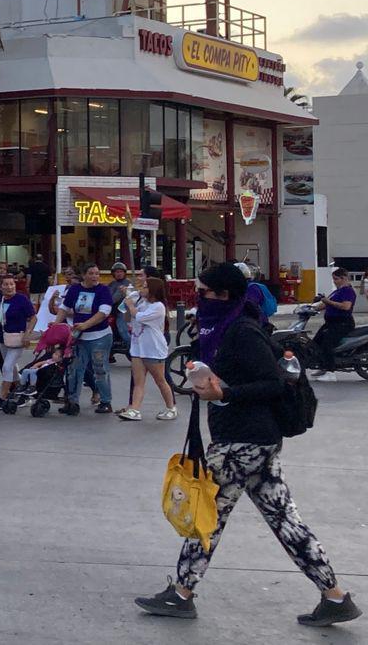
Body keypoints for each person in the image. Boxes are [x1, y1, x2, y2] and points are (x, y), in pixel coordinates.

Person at [133, 262, 360, 628]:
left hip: (243, 441)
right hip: (255, 442)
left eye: (203, 292)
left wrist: (226, 392)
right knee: (285, 520)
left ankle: (181, 593)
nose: (197, 298)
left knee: (207, 516)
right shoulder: (221, 328)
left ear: (223, 295)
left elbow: (272, 383)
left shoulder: (242, 331)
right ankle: (335, 597)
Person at [118, 276, 176, 421]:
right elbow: (128, 317)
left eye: (145, 287)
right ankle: (135, 409)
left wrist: (131, 306)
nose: (142, 289)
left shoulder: (158, 307)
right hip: (138, 347)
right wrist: (129, 299)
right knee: (138, 381)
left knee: (160, 380)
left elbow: (139, 317)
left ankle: (171, 407)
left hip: (153, 348)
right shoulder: (141, 302)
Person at [60, 264, 115, 415]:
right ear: (84, 275)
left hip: (100, 336)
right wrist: (57, 324)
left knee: (100, 369)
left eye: (97, 273)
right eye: (91, 273)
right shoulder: (75, 289)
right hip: (79, 337)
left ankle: (105, 401)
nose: (95, 276)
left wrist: (85, 325)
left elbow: (103, 313)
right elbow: (64, 308)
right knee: (74, 369)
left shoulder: (103, 290)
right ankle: (72, 401)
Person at [0, 274, 35, 412]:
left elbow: (33, 317)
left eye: (11, 284)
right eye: (6, 284)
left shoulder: (21, 300)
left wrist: (27, 334)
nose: (9, 287)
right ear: (1, 287)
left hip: (17, 339)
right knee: (12, 369)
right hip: (2, 338)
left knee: (7, 366)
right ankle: (23, 389)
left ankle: (3, 397)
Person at [309, 268, 356, 382]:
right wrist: (311, 308)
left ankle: (331, 372)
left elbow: (345, 306)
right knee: (315, 342)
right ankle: (322, 366)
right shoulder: (337, 291)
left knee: (327, 343)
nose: (334, 281)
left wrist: (327, 301)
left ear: (343, 278)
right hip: (330, 323)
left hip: (342, 323)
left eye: (336, 279)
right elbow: (325, 305)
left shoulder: (348, 291)